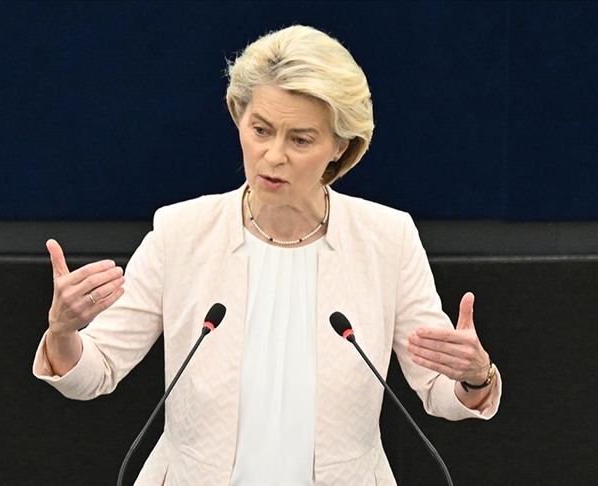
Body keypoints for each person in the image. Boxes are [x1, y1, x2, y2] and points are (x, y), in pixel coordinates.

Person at [33, 24, 501, 485]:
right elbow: (94, 371)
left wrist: (476, 376)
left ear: (340, 146)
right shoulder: (181, 232)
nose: (273, 156)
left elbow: (440, 389)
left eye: (300, 140)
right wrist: (62, 331)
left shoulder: (387, 239)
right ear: (238, 117)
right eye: (260, 129)